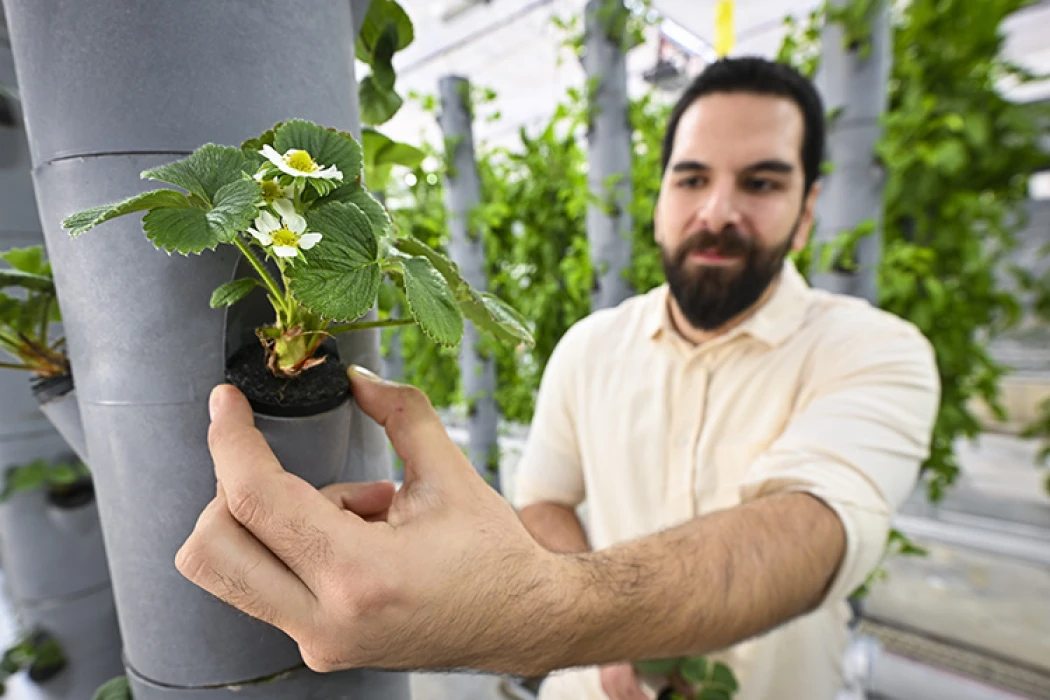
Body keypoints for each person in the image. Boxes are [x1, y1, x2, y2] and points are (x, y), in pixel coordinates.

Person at [175, 56, 939, 700]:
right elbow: (544, 501)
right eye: (691, 178)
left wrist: (537, 612)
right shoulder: (592, 345)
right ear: (660, 196)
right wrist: (611, 645)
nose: (717, 210)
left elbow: (811, 530)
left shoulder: (876, 350)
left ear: (807, 211)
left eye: (762, 184)